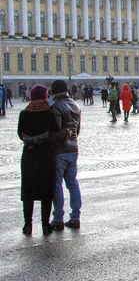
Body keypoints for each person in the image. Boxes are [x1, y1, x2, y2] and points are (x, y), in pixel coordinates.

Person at [18, 84, 57, 236]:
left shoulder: (24, 113)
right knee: (46, 191)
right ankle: (45, 226)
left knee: (28, 191)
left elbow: (20, 134)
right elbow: (52, 133)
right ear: (45, 96)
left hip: (29, 155)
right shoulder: (49, 113)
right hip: (46, 156)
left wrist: (29, 140)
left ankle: (28, 225)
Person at [49, 79, 82, 230]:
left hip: (59, 150)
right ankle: (75, 217)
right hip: (73, 148)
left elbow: (54, 131)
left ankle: (58, 218)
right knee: (73, 184)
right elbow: (78, 130)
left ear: (54, 91)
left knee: (57, 185)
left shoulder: (55, 106)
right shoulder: (75, 105)